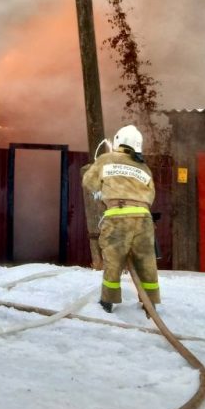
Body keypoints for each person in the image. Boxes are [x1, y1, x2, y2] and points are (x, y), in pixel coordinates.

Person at [81, 124, 159, 313]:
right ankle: (150, 305)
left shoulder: (105, 159)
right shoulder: (144, 168)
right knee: (146, 261)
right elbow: (151, 195)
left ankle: (107, 302)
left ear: (118, 141)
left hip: (118, 218)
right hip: (144, 220)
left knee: (113, 260)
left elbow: (89, 182)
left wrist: (97, 180)